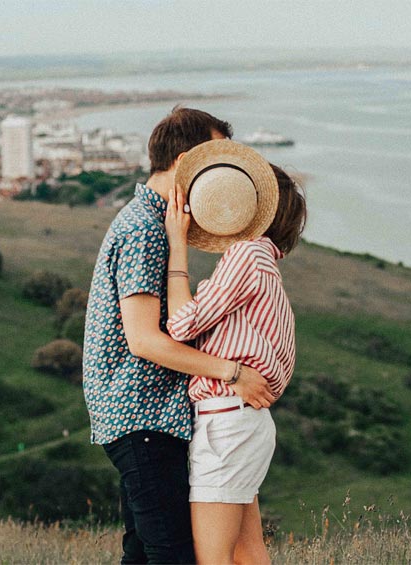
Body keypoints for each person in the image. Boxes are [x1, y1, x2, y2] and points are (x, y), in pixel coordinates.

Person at [82, 108, 275, 564]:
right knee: (173, 555)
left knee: (144, 553)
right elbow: (144, 340)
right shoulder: (145, 231)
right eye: (214, 161)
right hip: (141, 416)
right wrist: (234, 374)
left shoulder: (155, 226)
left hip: (143, 417)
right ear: (187, 161)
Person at [163, 139, 307, 565]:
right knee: (247, 551)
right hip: (243, 423)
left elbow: (182, 325)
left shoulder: (246, 255)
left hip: (227, 424)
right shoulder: (266, 266)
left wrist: (177, 244)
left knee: (213, 558)